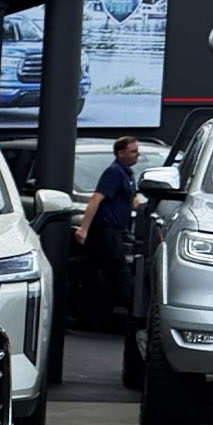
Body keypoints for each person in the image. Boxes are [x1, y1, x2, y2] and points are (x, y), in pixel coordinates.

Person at [72, 135, 140, 328]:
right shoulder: (114, 173)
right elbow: (96, 199)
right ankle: (134, 312)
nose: (137, 155)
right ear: (121, 153)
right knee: (120, 269)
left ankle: (78, 309)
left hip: (117, 229)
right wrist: (84, 228)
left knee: (90, 270)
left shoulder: (128, 174)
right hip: (105, 229)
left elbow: (132, 199)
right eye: (133, 151)